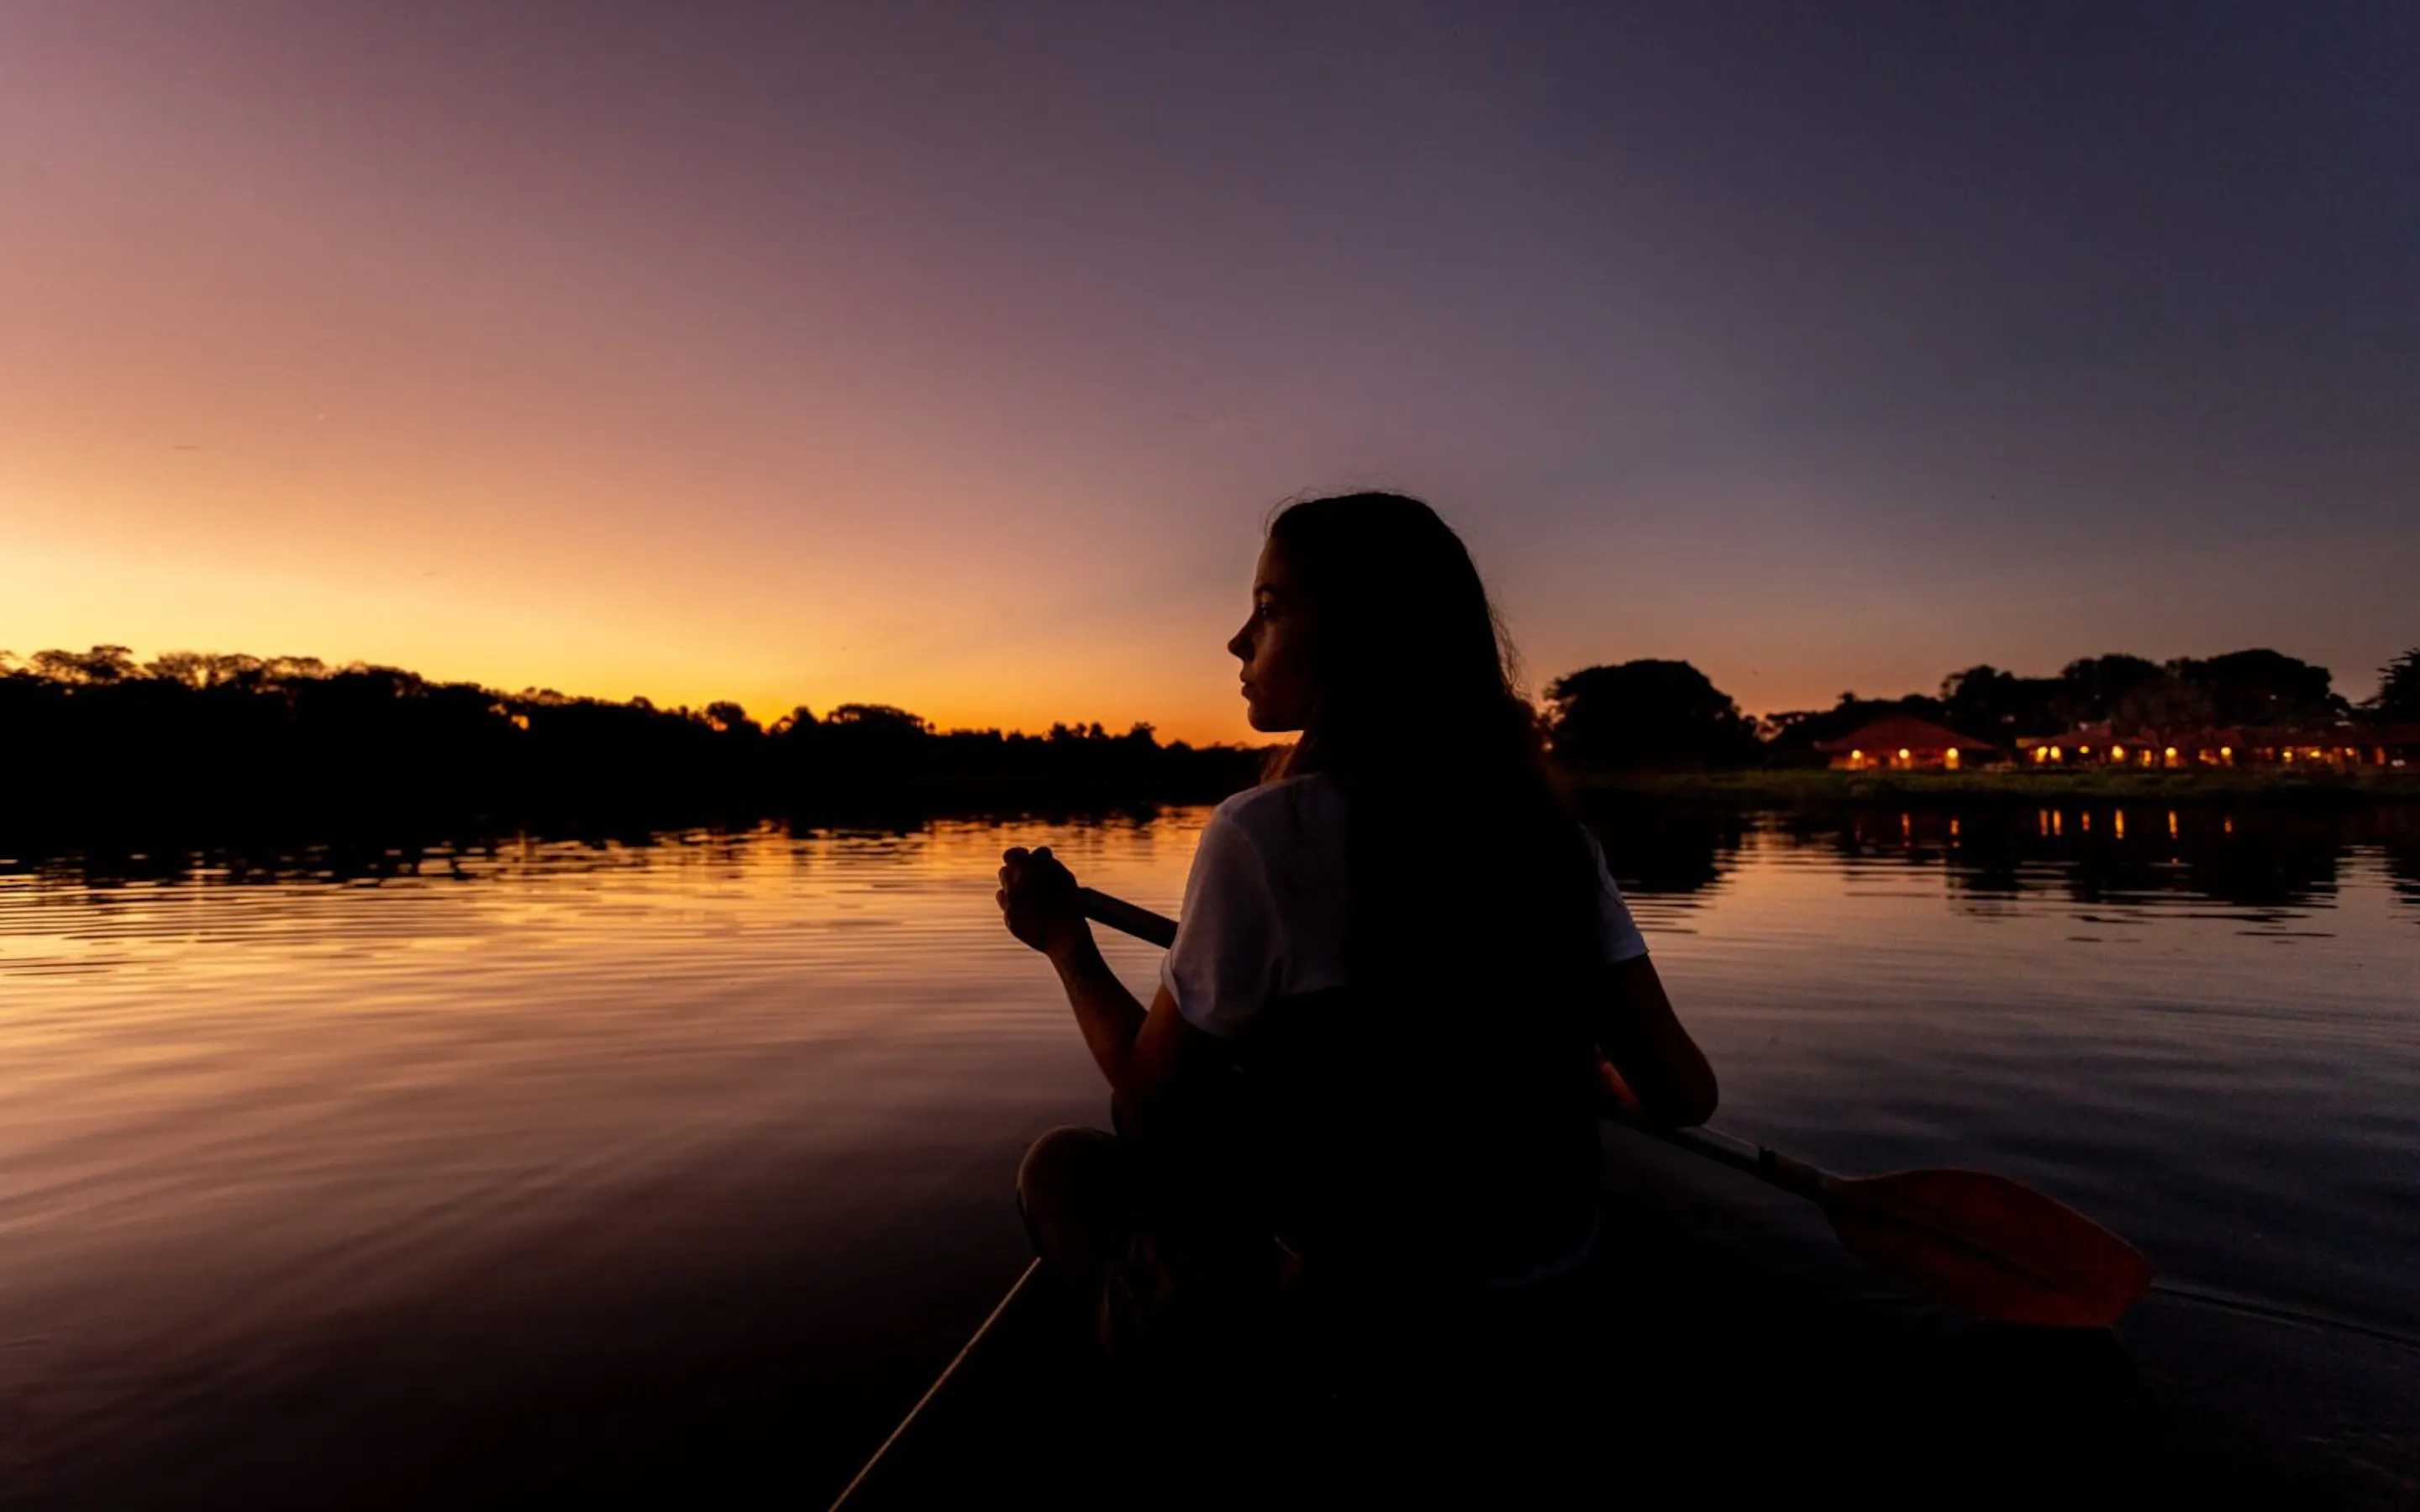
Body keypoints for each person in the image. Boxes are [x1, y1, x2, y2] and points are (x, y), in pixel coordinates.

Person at [997, 491, 1717, 1375]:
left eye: (1268, 608)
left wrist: (1066, 942)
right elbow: (1684, 1095)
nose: (1238, 641)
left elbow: (1152, 1090)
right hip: (1548, 1284)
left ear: (1360, 635)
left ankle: (1165, 1372)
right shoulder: (1551, 843)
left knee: (1064, 1163)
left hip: (1355, 1318)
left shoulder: (1262, 835)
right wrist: (1580, 1068)